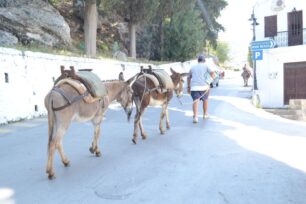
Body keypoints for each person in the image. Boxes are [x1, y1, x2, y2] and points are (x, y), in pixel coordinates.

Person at [187, 55, 215, 123]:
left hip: (194, 87)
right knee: (205, 100)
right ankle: (205, 114)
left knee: (195, 101)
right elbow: (213, 73)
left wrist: (188, 87)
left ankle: (195, 117)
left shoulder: (192, 67)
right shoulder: (206, 66)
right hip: (204, 87)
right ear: (204, 61)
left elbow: (188, 77)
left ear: (198, 61)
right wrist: (209, 82)